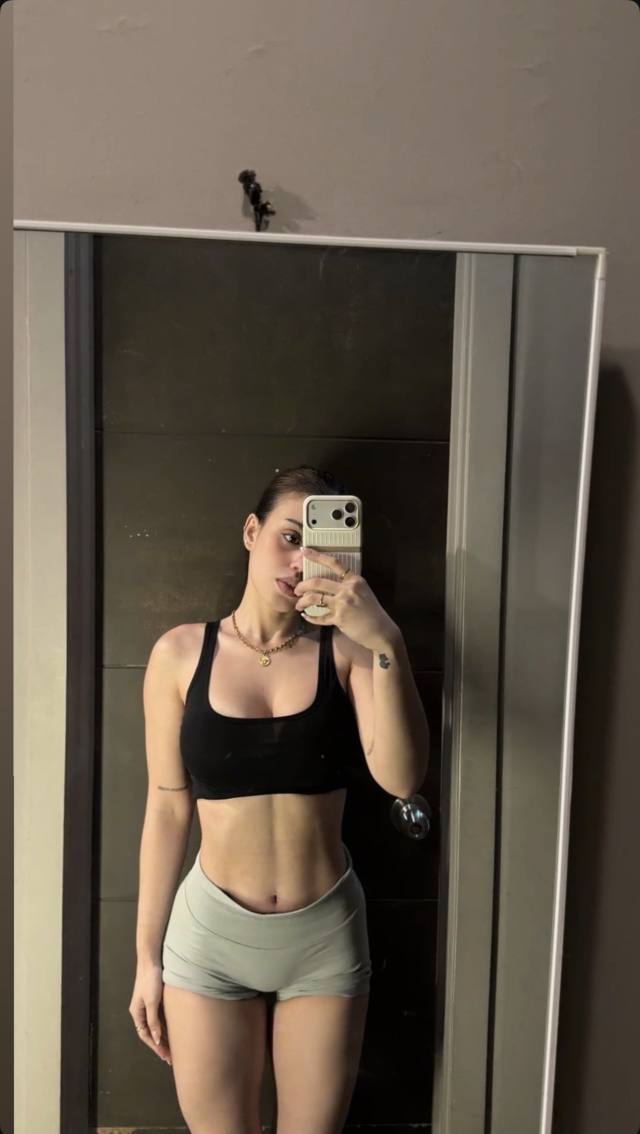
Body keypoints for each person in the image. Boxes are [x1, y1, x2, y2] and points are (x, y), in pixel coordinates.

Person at [128, 464, 430, 1134]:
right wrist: (147, 959)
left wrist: (386, 639)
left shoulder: (350, 653)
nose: (299, 563)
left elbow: (402, 778)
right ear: (250, 532)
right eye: (289, 538)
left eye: (319, 550)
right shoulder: (179, 654)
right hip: (210, 938)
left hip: (323, 938)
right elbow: (167, 808)